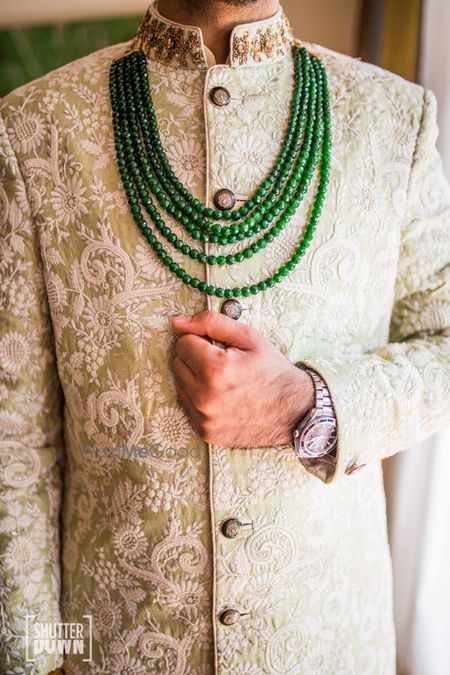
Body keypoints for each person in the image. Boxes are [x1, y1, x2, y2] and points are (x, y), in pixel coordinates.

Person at [0, 0, 449, 673]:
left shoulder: (394, 118)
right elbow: (13, 439)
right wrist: (33, 655)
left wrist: (309, 402)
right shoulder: (36, 129)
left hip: (328, 647)